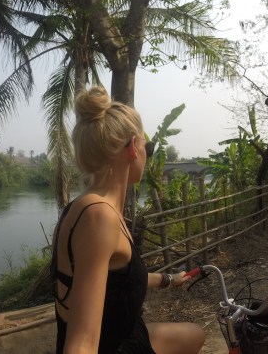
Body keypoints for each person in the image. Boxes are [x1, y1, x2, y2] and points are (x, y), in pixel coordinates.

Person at [51, 86, 205, 354]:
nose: (148, 154)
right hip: (113, 346)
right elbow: (82, 344)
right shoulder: (99, 217)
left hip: (126, 332)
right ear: (134, 147)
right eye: (149, 147)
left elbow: (116, 281)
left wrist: (168, 279)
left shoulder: (85, 206)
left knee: (194, 335)